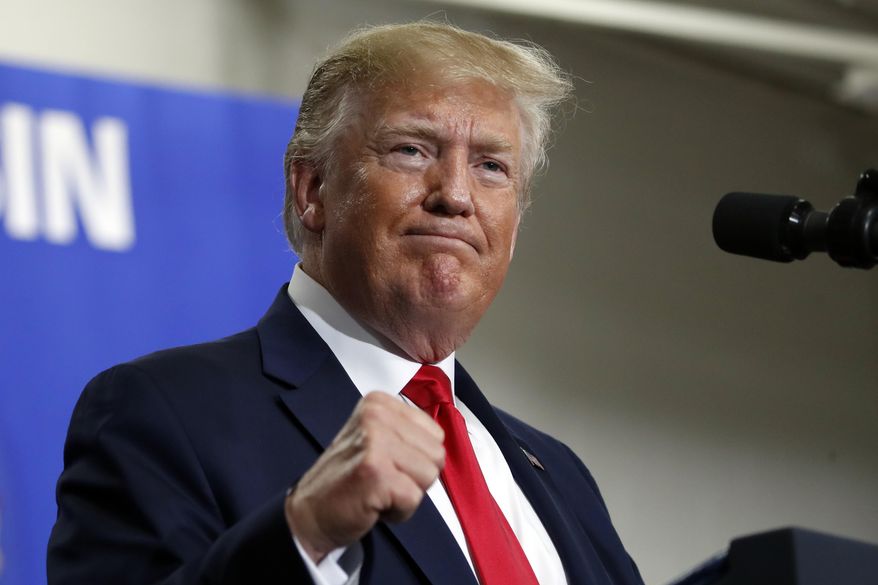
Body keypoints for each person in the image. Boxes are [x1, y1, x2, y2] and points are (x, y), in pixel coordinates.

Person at [47, 22, 645, 585]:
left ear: (515, 224)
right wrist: (304, 531)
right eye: (413, 150)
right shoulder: (163, 413)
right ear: (312, 190)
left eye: (491, 166)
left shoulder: (558, 473)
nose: (457, 195)